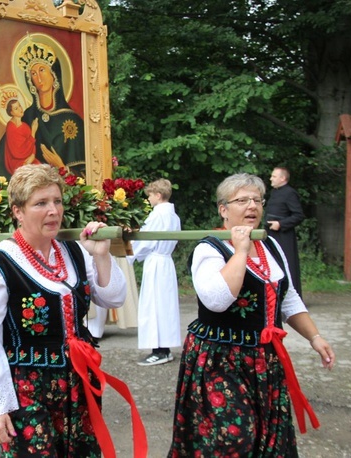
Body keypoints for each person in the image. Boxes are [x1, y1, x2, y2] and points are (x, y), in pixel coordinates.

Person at [0, 164, 146, 457]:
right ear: (17, 212)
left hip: (77, 385)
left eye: (57, 201)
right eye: (41, 203)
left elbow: (113, 298)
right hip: (25, 391)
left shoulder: (73, 252)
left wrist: (101, 255)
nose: (53, 211)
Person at [169, 173, 335, 457]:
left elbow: (288, 297)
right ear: (223, 209)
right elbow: (218, 300)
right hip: (220, 360)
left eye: (257, 200)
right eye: (242, 200)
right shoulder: (209, 250)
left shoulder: (271, 245)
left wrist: (314, 337)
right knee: (232, 440)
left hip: (264, 361)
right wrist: (241, 250)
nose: (252, 206)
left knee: (268, 439)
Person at [0, 37, 86, 177]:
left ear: (54, 74)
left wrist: (62, 167)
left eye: (42, 70)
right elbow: (4, 160)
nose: (38, 78)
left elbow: (88, 175)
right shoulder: (26, 116)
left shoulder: (73, 121)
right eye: (33, 73)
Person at [128, 179, 181, 366]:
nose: (148, 199)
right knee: (163, 306)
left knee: (155, 305)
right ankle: (163, 348)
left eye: (150, 195)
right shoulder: (173, 216)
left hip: (157, 262)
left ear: (158, 195)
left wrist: (129, 252)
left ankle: (160, 350)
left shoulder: (158, 215)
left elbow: (146, 240)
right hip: (165, 261)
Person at [266, 166, 305, 297]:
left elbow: (298, 215)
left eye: (274, 176)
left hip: (284, 234)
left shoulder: (290, 193)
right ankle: (276, 293)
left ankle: (293, 296)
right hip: (271, 233)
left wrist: (281, 224)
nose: (271, 178)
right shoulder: (274, 192)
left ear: (283, 178)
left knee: (287, 263)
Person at [4, 99, 40, 174]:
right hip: (17, 161)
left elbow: (32, 143)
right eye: (16, 108)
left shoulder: (25, 126)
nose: (20, 109)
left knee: (40, 170)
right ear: (11, 112)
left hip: (28, 157)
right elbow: (17, 152)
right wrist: (33, 132)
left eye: (19, 106)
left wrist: (32, 155)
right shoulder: (11, 127)